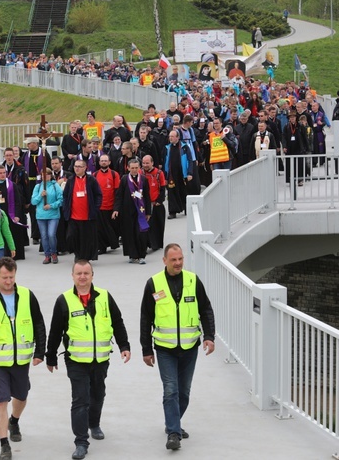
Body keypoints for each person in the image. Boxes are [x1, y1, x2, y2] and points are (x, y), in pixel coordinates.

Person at [46, 260, 131, 460]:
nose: (82, 277)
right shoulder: (64, 300)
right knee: (80, 399)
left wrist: (124, 346)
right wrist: (50, 356)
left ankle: (94, 423)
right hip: (75, 360)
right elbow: (55, 330)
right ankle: (81, 442)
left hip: (101, 358)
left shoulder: (105, 297)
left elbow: (117, 322)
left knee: (98, 394)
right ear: (72, 276)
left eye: (86, 273)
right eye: (79, 273)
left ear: (92, 275)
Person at [0, 258, 47, 460]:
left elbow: (39, 323)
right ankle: (4, 444)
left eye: (11, 277)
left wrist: (40, 352)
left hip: (21, 360)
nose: (8, 281)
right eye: (4, 277)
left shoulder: (27, 295)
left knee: (21, 396)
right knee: (0, 400)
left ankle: (14, 420)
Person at [140, 244, 215, 451]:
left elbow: (205, 308)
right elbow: (146, 317)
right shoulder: (154, 283)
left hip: (190, 347)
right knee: (171, 390)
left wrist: (209, 336)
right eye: (173, 260)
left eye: (180, 259)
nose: (178, 263)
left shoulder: (193, 280)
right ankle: (174, 432)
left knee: (184, 392)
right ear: (164, 261)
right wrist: (146, 349)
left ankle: (172, 422)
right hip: (165, 348)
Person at [113, 159, 151, 264]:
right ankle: (132, 254)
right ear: (128, 168)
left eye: (136, 168)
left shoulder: (143, 179)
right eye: (132, 168)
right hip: (127, 211)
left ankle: (142, 255)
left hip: (141, 211)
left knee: (141, 233)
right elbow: (119, 195)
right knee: (129, 234)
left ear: (139, 168)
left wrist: (148, 212)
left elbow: (147, 196)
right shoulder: (125, 179)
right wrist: (116, 209)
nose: (134, 170)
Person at [63, 160, 103, 261]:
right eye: (76, 166)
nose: (77, 168)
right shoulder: (71, 180)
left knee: (86, 238)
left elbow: (98, 194)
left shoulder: (91, 180)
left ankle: (83, 257)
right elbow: (65, 196)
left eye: (80, 167)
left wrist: (96, 207)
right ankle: (77, 253)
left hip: (87, 216)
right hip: (73, 215)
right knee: (72, 236)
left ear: (85, 168)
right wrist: (65, 207)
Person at [0, 164, 27, 260]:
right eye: (0, 173)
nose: (3, 175)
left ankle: (14, 254)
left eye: (4, 173)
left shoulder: (12, 185)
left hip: (10, 214)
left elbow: (18, 201)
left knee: (12, 233)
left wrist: (17, 215)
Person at [21, 137, 51, 246]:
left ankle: (44, 233)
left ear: (34, 143)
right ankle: (35, 235)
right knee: (32, 209)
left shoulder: (43, 154)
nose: (28, 146)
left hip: (41, 183)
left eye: (29, 144)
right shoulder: (25, 155)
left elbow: (48, 168)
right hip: (29, 184)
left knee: (42, 206)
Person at [31, 168, 64, 264]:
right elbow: (33, 201)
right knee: (44, 236)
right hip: (41, 216)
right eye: (43, 175)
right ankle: (47, 255)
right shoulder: (38, 186)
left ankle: (53, 252)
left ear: (51, 175)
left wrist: (51, 206)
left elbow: (60, 200)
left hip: (53, 214)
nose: (45, 177)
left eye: (47, 174)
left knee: (51, 234)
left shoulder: (55, 186)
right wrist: (40, 195)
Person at [164, 130, 195, 219]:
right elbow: (165, 161)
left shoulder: (184, 147)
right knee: (171, 193)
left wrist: (190, 173)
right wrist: (165, 176)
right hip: (171, 174)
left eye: (172, 136)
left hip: (182, 174)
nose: (170, 138)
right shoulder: (167, 148)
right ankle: (172, 212)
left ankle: (185, 208)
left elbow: (190, 160)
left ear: (177, 137)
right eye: (170, 136)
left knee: (183, 191)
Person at [141, 155, 167, 251]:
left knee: (157, 225)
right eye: (143, 163)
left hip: (156, 204)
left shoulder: (159, 173)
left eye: (147, 163)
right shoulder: (141, 172)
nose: (145, 165)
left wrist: (159, 201)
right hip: (144, 204)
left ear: (152, 163)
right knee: (147, 226)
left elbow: (163, 188)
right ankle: (147, 244)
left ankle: (156, 244)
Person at [282, 114, 309, 187]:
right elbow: (283, 137)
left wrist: (307, 147)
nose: (292, 119)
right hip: (289, 148)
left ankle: (300, 180)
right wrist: (284, 146)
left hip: (299, 148)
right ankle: (290, 179)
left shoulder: (300, 126)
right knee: (289, 165)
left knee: (299, 164)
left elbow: (305, 136)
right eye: (291, 118)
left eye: (293, 117)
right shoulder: (286, 126)